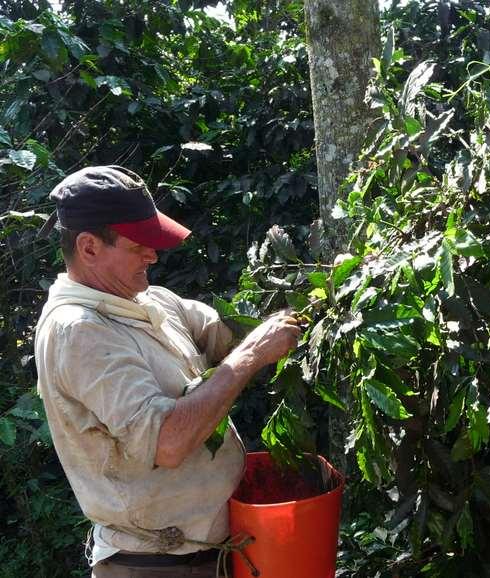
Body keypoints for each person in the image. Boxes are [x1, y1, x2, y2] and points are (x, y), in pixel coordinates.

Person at [33, 166, 302, 578]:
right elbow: (168, 443)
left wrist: (315, 301)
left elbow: (227, 333)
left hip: (215, 552)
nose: (153, 256)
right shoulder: (80, 331)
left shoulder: (151, 301)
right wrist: (250, 355)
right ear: (88, 247)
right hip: (154, 565)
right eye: (139, 245)